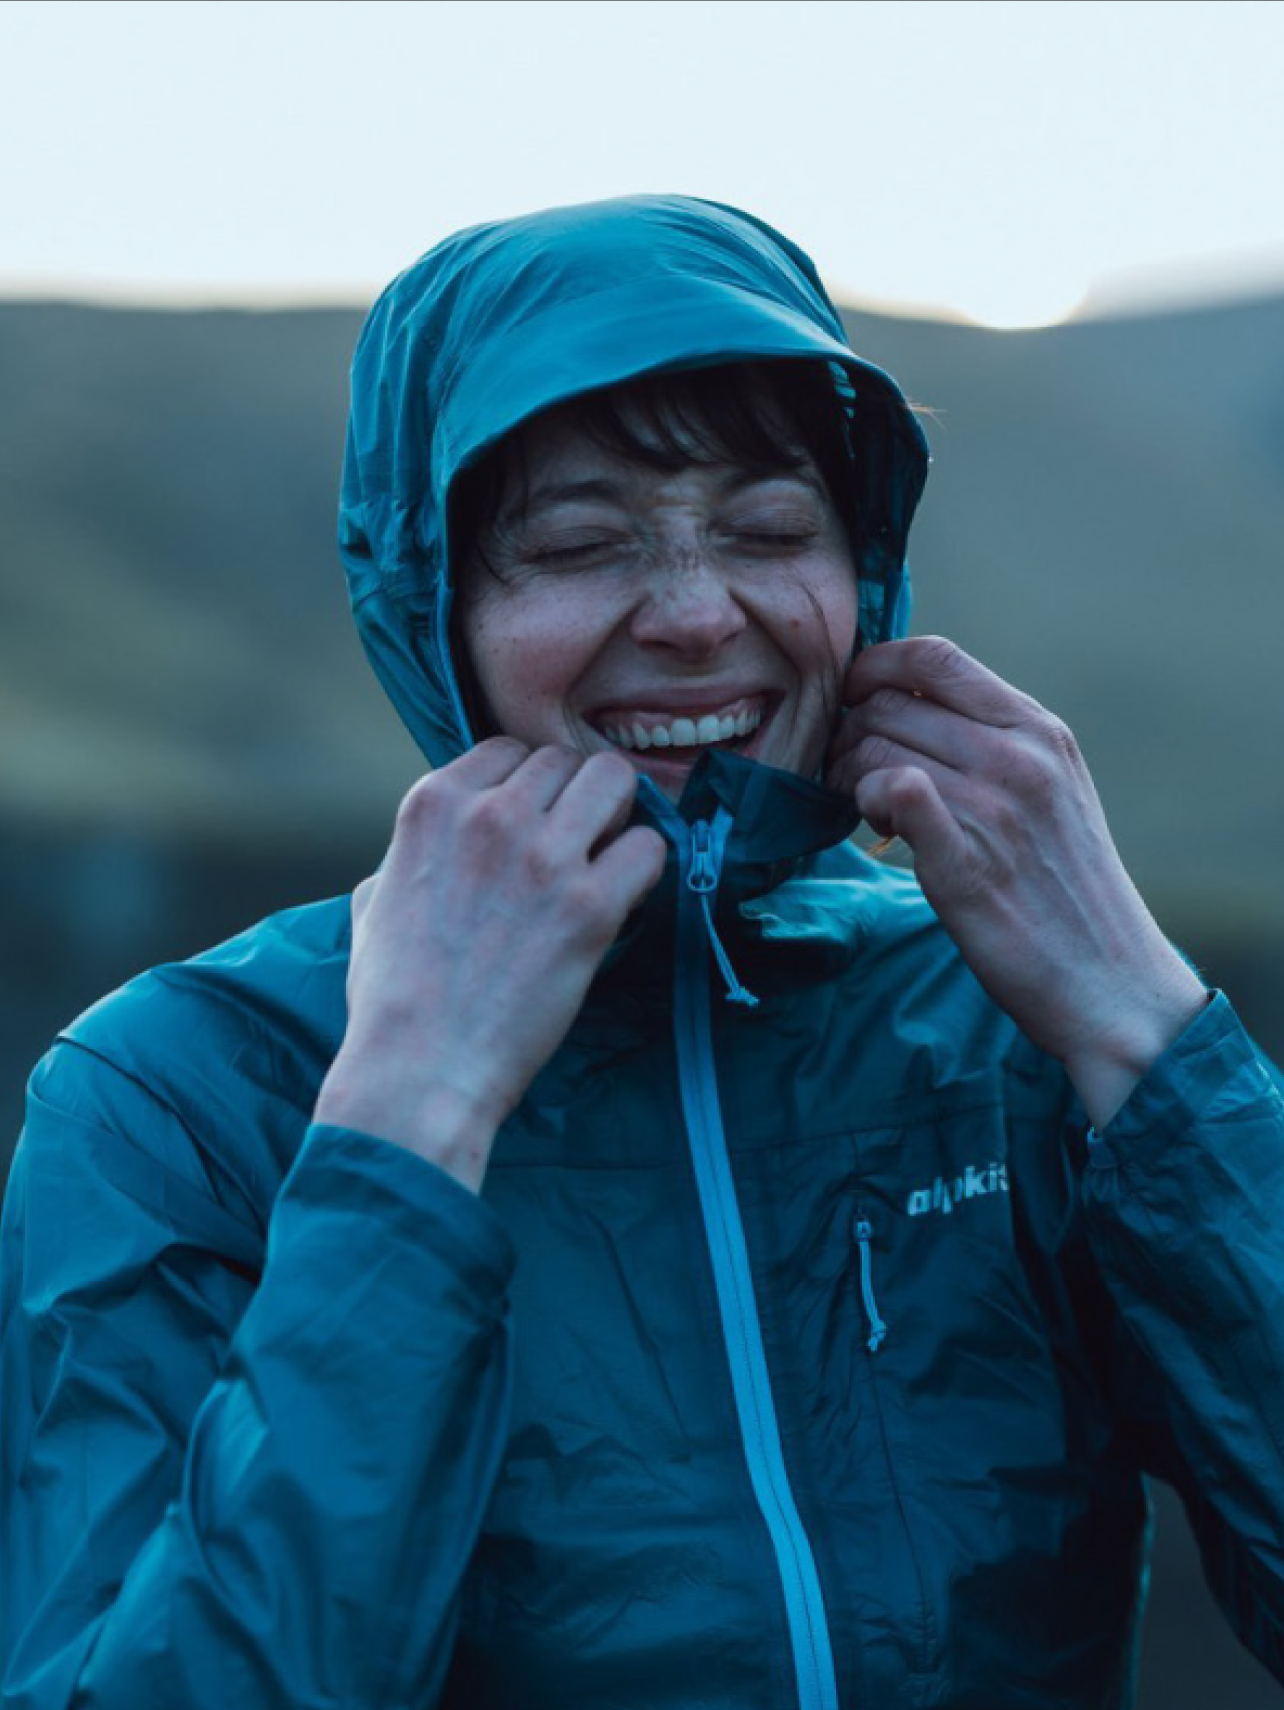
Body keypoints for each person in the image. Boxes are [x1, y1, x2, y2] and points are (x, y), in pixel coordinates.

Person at [2, 194, 1283, 1710]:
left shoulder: (1007, 1033)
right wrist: (407, 1119)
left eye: (768, 528)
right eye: (578, 542)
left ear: (861, 568)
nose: (694, 614)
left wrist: (1147, 1026)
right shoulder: (176, 1091)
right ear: (436, 605)